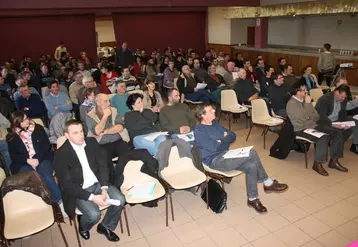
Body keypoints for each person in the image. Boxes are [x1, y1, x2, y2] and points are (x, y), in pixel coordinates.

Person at [194, 104, 288, 213]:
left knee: (251, 166)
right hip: (214, 161)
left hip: (226, 154)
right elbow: (214, 147)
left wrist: (221, 139)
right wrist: (224, 138)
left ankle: (252, 199)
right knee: (252, 153)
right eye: (210, 111)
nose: (214, 111)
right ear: (203, 115)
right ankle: (267, 182)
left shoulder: (215, 123)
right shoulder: (199, 131)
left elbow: (232, 136)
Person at [54, 120, 125, 242]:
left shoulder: (91, 142)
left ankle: (105, 226)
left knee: (120, 200)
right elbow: (68, 185)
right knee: (94, 215)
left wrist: (104, 187)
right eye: (75, 133)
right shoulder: (61, 154)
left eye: (81, 131)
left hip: (98, 183)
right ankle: (83, 226)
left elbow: (102, 165)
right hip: (80, 190)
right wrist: (93, 197)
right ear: (67, 135)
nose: (81, 135)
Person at [286, 82, 347, 176]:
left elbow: (316, 116)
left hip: (312, 125)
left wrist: (309, 111)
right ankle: (317, 164)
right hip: (301, 129)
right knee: (323, 138)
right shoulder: (291, 104)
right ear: (297, 92)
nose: (306, 92)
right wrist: (308, 105)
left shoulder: (304, 101)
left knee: (336, 133)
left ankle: (334, 161)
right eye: (304, 90)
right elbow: (303, 118)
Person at [7, 111, 61, 204]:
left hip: (42, 157)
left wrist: (37, 159)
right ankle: (40, 203)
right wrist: (27, 160)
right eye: (24, 120)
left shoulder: (38, 128)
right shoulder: (11, 137)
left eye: (27, 117)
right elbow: (14, 156)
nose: (27, 120)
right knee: (32, 180)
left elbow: (46, 146)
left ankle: (58, 200)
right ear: (17, 123)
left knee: (47, 176)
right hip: (23, 163)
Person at [86, 94, 131, 173]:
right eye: (106, 101)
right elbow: (97, 131)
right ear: (98, 103)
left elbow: (120, 127)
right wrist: (105, 116)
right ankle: (112, 180)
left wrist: (104, 131)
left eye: (109, 101)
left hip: (118, 140)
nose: (109, 104)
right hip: (102, 144)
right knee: (105, 162)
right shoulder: (90, 115)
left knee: (128, 156)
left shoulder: (114, 110)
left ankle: (125, 175)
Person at [315, 84, 358, 155]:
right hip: (323, 122)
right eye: (342, 97)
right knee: (337, 133)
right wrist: (332, 124)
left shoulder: (343, 99)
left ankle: (334, 144)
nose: (343, 99)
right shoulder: (325, 99)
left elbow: (342, 113)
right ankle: (334, 158)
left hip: (336, 120)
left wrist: (344, 123)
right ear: (337, 92)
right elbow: (321, 116)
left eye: (344, 97)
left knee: (349, 128)